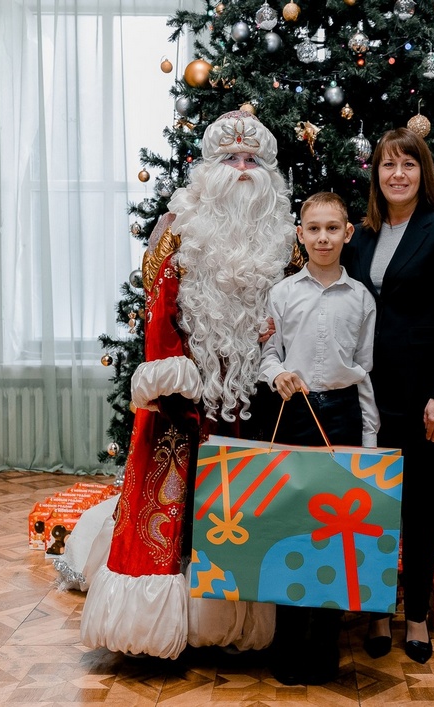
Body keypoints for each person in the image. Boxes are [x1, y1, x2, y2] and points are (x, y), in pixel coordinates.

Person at [75, 110, 300, 659]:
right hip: (186, 399)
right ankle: (158, 624)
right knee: (169, 505)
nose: (242, 170)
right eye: (231, 159)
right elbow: (158, 306)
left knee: (246, 507)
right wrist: (171, 371)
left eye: (253, 160)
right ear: (208, 169)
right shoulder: (179, 229)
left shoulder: (287, 239)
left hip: (256, 400)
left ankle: (232, 620)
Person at [342, 127, 434, 664]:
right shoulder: (360, 236)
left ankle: (417, 615)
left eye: (408, 164)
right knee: (370, 504)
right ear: (375, 173)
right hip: (365, 396)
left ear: (424, 173)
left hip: (422, 397)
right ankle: (377, 611)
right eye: (388, 164)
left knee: (418, 506)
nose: (398, 174)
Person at [258, 191, 379, 684]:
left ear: (347, 234)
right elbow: (268, 354)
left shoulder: (362, 298)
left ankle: (325, 644)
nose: (323, 237)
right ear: (300, 235)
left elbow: (365, 371)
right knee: (292, 526)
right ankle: (287, 641)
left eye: (332, 228)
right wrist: (278, 374)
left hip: (343, 415)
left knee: (336, 532)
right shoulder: (282, 294)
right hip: (295, 414)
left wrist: (368, 440)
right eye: (314, 229)